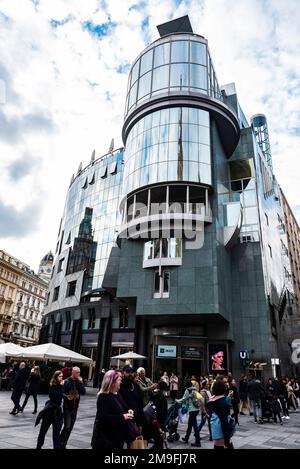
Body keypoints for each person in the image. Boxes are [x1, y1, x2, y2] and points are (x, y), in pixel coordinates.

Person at [91, 369, 134, 450]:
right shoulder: (103, 397)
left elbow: (124, 407)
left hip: (117, 437)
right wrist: (123, 417)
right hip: (106, 440)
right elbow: (104, 418)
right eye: (119, 380)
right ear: (112, 382)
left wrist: (129, 410)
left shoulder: (117, 394)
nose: (121, 382)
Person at [35, 371, 64, 449]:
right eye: (60, 376)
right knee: (43, 431)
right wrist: (61, 387)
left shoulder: (61, 385)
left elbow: (62, 395)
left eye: (62, 376)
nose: (61, 378)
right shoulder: (52, 386)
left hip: (57, 412)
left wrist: (67, 396)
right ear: (55, 377)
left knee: (56, 433)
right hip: (50, 411)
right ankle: (38, 446)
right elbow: (56, 397)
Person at [59, 366, 86, 449]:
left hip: (75, 407)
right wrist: (66, 396)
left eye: (79, 372)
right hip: (67, 407)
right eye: (77, 372)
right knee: (67, 426)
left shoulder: (79, 381)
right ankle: (59, 441)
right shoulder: (66, 381)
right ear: (73, 372)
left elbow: (83, 392)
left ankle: (64, 444)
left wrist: (81, 383)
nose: (79, 374)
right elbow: (61, 393)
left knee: (70, 427)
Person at [176, 380, 203, 447]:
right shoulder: (194, 389)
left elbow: (183, 399)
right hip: (196, 409)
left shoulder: (187, 390)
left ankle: (197, 441)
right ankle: (186, 438)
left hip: (192, 410)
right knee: (190, 424)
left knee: (195, 426)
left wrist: (177, 401)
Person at [209, 379, 234, 449]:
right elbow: (224, 423)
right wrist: (226, 442)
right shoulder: (222, 403)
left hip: (217, 437)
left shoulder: (213, 400)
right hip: (222, 438)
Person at [119, 365, 144, 432]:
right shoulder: (119, 386)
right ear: (123, 372)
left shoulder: (136, 387)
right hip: (121, 422)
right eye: (128, 372)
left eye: (132, 372)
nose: (130, 374)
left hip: (134, 422)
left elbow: (140, 406)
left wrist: (140, 423)